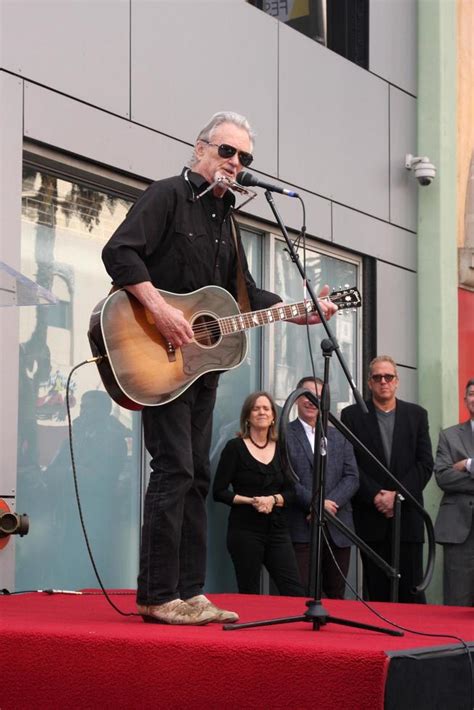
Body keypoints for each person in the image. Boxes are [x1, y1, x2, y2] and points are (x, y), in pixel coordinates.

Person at [102, 111, 337, 625]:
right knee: (174, 469)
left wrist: (300, 310)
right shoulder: (166, 195)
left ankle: (189, 593)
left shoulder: (228, 220)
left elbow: (243, 296)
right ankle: (156, 595)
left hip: (200, 369)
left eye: (245, 158)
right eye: (227, 151)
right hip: (156, 357)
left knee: (199, 473)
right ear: (200, 148)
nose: (235, 163)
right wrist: (162, 312)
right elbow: (119, 252)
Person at [340, 356, 433, 603]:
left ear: (397, 381)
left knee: (412, 593)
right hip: (371, 518)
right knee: (378, 593)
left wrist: (397, 497)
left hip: (408, 520)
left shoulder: (417, 415)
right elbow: (350, 464)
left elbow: (424, 465)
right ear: (369, 383)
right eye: (377, 377)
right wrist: (375, 496)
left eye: (388, 377)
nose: (383, 382)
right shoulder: (351, 416)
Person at [213, 391, 304, 596]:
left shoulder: (282, 449)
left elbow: (292, 492)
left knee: (294, 591)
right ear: (247, 416)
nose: (261, 412)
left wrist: (272, 500)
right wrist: (252, 501)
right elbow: (219, 492)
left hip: (277, 531)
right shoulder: (234, 448)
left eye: (266, 408)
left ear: (273, 417)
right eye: (255, 408)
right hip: (244, 531)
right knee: (249, 591)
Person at [286, 376, 359, 598]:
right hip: (302, 527)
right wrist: (316, 504)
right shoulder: (283, 434)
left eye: (318, 397)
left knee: (335, 593)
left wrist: (328, 506)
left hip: (338, 526)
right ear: (297, 398)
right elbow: (287, 477)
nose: (311, 401)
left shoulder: (340, 434)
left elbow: (352, 476)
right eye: (307, 395)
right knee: (302, 593)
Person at [434, 378, 474, 606]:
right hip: (459, 532)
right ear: (465, 399)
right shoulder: (449, 436)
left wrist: (468, 465)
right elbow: (443, 477)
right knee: (457, 602)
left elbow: (456, 475)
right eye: (472, 393)